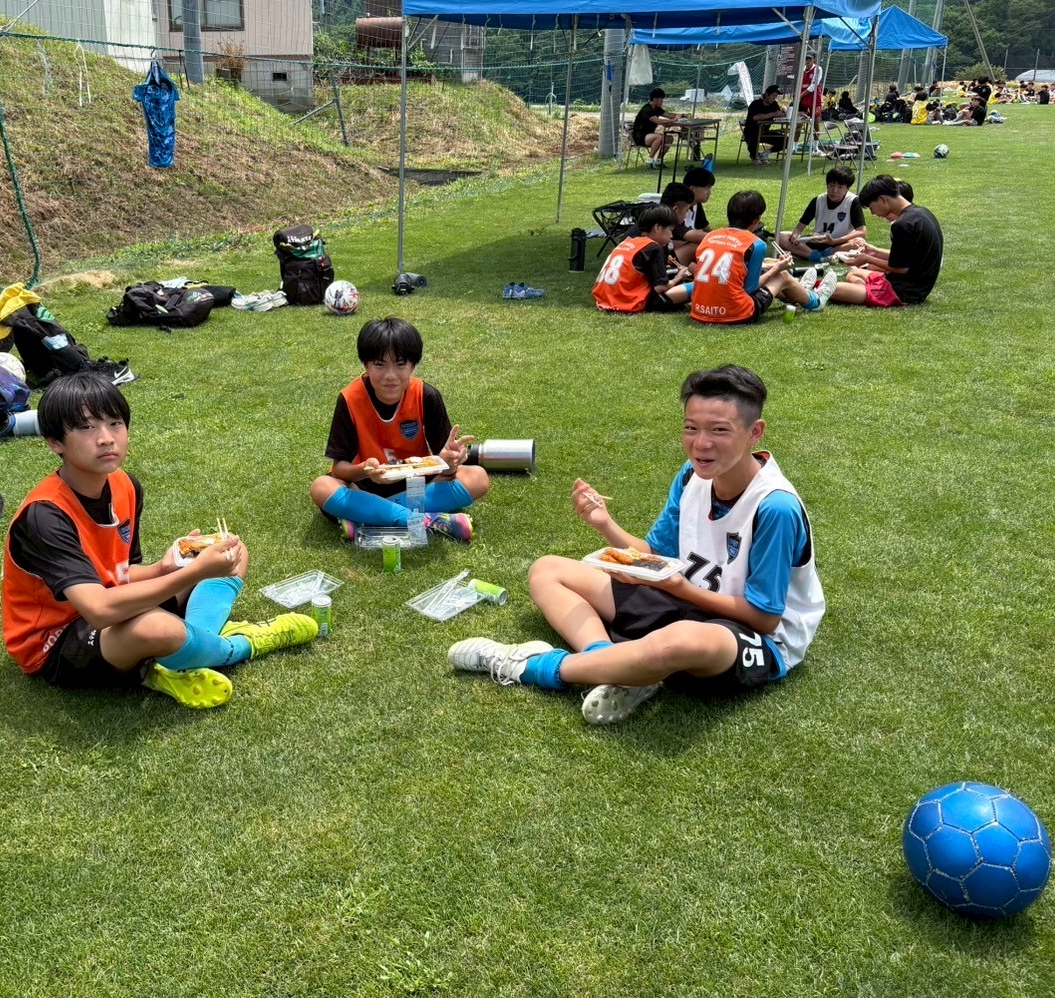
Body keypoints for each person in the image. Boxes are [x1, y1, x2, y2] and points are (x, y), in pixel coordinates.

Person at [447, 365, 825, 725]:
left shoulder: (774, 507)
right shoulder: (692, 476)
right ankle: (613, 664)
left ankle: (528, 666)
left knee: (681, 643)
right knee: (548, 570)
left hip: (752, 638)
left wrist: (678, 588)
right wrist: (605, 524)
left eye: (719, 430)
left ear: (754, 432)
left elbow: (764, 618)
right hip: (687, 602)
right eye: (691, 428)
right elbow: (654, 555)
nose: (701, 443)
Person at [2, 372, 318, 710]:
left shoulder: (124, 485)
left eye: (115, 423)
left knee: (233, 552)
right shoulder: (45, 516)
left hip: (111, 606)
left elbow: (120, 573)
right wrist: (194, 573)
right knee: (156, 628)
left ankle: (182, 654)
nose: (106, 438)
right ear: (55, 442)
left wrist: (164, 568)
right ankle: (240, 646)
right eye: (86, 427)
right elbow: (99, 610)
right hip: (57, 641)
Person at [309, 316, 483, 542]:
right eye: (380, 364)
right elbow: (340, 469)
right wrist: (365, 470)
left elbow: (447, 470)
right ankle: (426, 521)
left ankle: (369, 517)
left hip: (418, 486)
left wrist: (451, 461)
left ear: (413, 365)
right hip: (364, 487)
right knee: (322, 487)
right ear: (366, 365)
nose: (390, 376)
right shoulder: (350, 398)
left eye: (400, 364)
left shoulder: (426, 395)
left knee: (477, 477)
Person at [688, 189, 836, 325]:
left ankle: (800, 293)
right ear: (756, 221)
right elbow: (749, 288)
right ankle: (816, 301)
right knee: (782, 276)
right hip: (735, 312)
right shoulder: (755, 244)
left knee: (765, 272)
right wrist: (777, 268)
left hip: (699, 309)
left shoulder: (709, 236)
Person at [825, 174, 943, 308]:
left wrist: (866, 259)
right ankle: (864, 290)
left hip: (903, 291)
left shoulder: (902, 224)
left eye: (871, 207)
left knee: (833, 288)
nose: (873, 213)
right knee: (853, 273)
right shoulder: (923, 213)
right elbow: (909, 258)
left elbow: (901, 269)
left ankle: (866, 291)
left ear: (883, 199)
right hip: (920, 287)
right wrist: (873, 251)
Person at [592, 205, 693, 314]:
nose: (671, 235)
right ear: (658, 228)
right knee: (696, 286)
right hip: (629, 301)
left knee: (671, 274)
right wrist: (679, 276)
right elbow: (660, 287)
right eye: (670, 230)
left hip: (606, 300)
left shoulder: (628, 242)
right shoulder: (654, 247)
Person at [777, 166, 867, 263]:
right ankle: (820, 257)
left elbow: (861, 232)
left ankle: (808, 255)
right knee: (781, 237)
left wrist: (834, 241)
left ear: (847, 189)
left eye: (840, 187)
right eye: (831, 185)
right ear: (827, 185)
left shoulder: (853, 201)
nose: (834, 190)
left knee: (859, 242)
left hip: (839, 243)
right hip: (817, 242)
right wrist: (795, 236)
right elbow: (799, 228)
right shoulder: (818, 200)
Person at [671, 166, 717, 263]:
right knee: (696, 246)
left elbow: (706, 228)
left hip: (680, 252)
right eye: (706, 188)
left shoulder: (696, 205)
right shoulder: (678, 206)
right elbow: (694, 235)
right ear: (692, 189)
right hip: (670, 254)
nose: (709, 193)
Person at [632, 87, 681, 168]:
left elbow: (668, 115)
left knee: (669, 138)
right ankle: (650, 161)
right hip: (640, 136)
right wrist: (673, 120)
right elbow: (658, 121)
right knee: (659, 137)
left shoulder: (657, 108)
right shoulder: (647, 109)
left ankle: (659, 160)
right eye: (661, 99)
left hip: (650, 135)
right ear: (655, 99)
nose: (662, 102)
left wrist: (682, 116)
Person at [743, 85, 786, 166]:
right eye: (773, 96)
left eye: (776, 96)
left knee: (786, 140)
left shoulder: (774, 104)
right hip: (751, 132)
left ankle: (764, 154)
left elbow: (778, 114)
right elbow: (755, 117)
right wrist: (773, 114)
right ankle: (755, 157)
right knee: (755, 135)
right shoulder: (755, 104)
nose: (774, 98)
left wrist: (781, 115)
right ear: (766, 94)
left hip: (765, 132)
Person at [798, 53, 824, 120]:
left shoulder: (818, 69)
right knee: (800, 119)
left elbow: (813, 86)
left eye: (810, 59)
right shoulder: (802, 69)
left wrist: (800, 96)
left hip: (814, 97)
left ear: (814, 60)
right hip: (803, 97)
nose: (808, 61)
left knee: (815, 120)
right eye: (806, 59)